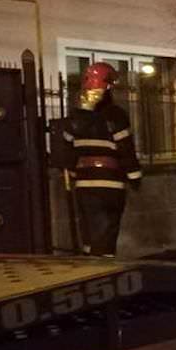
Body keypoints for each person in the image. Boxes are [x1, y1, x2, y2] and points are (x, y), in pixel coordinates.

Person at [63, 62, 142, 257]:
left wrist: (72, 173)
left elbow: (67, 149)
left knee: (89, 234)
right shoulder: (115, 115)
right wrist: (135, 176)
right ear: (108, 85)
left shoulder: (75, 117)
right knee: (106, 234)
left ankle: (89, 270)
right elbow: (125, 148)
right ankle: (104, 272)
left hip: (83, 183)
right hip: (109, 183)